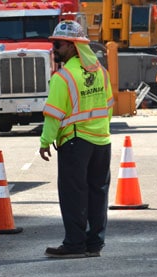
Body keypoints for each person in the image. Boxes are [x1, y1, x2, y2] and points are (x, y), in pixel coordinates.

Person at [39, 20, 114, 258]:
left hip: (75, 142)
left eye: (58, 44)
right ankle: (94, 244)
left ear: (73, 46)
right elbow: (109, 105)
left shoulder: (63, 77)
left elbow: (53, 115)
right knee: (97, 194)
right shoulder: (101, 72)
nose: (54, 49)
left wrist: (45, 142)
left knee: (74, 195)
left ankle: (74, 245)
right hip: (101, 142)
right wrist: (100, 129)